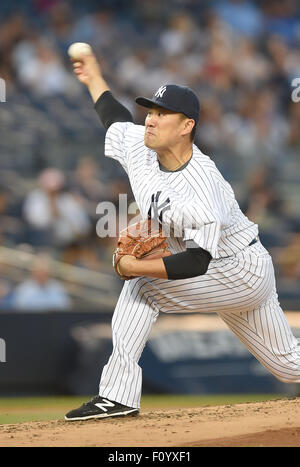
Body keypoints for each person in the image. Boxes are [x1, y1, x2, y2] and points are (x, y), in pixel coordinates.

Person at [65, 50, 300, 421]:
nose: (150, 120)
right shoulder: (142, 147)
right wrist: (94, 75)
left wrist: (134, 264)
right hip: (226, 270)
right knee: (288, 365)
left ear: (186, 125)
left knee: (142, 286)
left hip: (238, 269)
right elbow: (113, 115)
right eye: (150, 111)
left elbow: (196, 261)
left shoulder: (202, 185)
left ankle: (117, 396)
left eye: (161, 114)